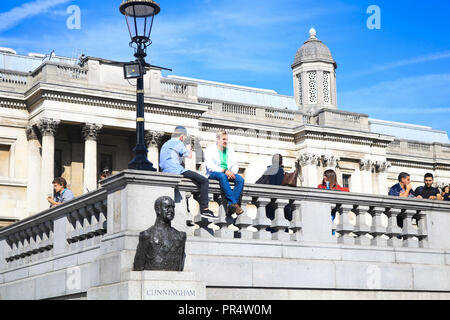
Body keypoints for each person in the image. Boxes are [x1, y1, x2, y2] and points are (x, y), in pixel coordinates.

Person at [159, 126, 217, 221]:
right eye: (184, 138)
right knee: (204, 181)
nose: (183, 140)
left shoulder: (166, 143)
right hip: (176, 170)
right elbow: (189, 155)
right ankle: (205, 209)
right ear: (182, 136)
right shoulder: (178, 143)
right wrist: (189, 147)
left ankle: (189, 211)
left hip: (165, 171)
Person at [204, 131, 244, 215]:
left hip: (228, 173)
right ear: (218, 139)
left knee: (240, 179)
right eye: (223, 139)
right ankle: (234, 203)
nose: (225, 141)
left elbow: (235, 165)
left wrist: (232, 173)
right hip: (214, 173)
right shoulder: (210, 150)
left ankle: (231, 205)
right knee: (222, 176)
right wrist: (225, 171)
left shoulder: (230, 151)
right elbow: (210, 167)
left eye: (227, 139)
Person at [317, 169, 349, 236]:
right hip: (321, 210)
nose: (324, 177)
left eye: (325, 176)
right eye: (324, 175)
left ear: (330, 177)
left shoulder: (337, 187)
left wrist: (333, 191)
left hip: (332, 210)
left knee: (330, 220)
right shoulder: (320, 186)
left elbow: (346, 190)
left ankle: (331, 235)